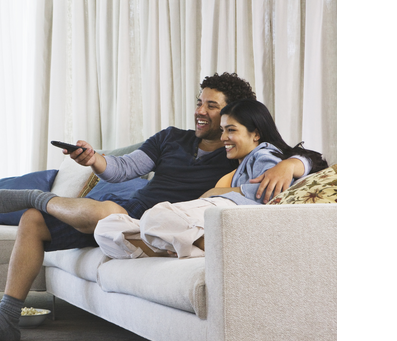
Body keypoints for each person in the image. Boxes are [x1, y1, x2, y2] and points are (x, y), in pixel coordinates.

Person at [0, 72, 314, 341]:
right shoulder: (170, 138)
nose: (200, 112)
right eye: (200, 102)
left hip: (157, 222)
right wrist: (94, 159)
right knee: (33, 220)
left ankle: (41, 198)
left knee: (106, 211)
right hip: (127, 209)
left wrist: (292, 163)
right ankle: (6, 316)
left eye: (212, 106)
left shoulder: (236, 150)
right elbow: (123, 169)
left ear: (233, 117)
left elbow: (304, 157)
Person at [93, 99, 327, 260]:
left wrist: (216, 194)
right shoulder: (235, 162)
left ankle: (188, 246)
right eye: (223, 130)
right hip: (209, 216)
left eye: (232, 130)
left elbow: (268, 197)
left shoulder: (263, 153)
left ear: (256, 133)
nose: (224, 137)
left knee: (156, 218)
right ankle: (184, 247)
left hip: (228, 213)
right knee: (107, 227)